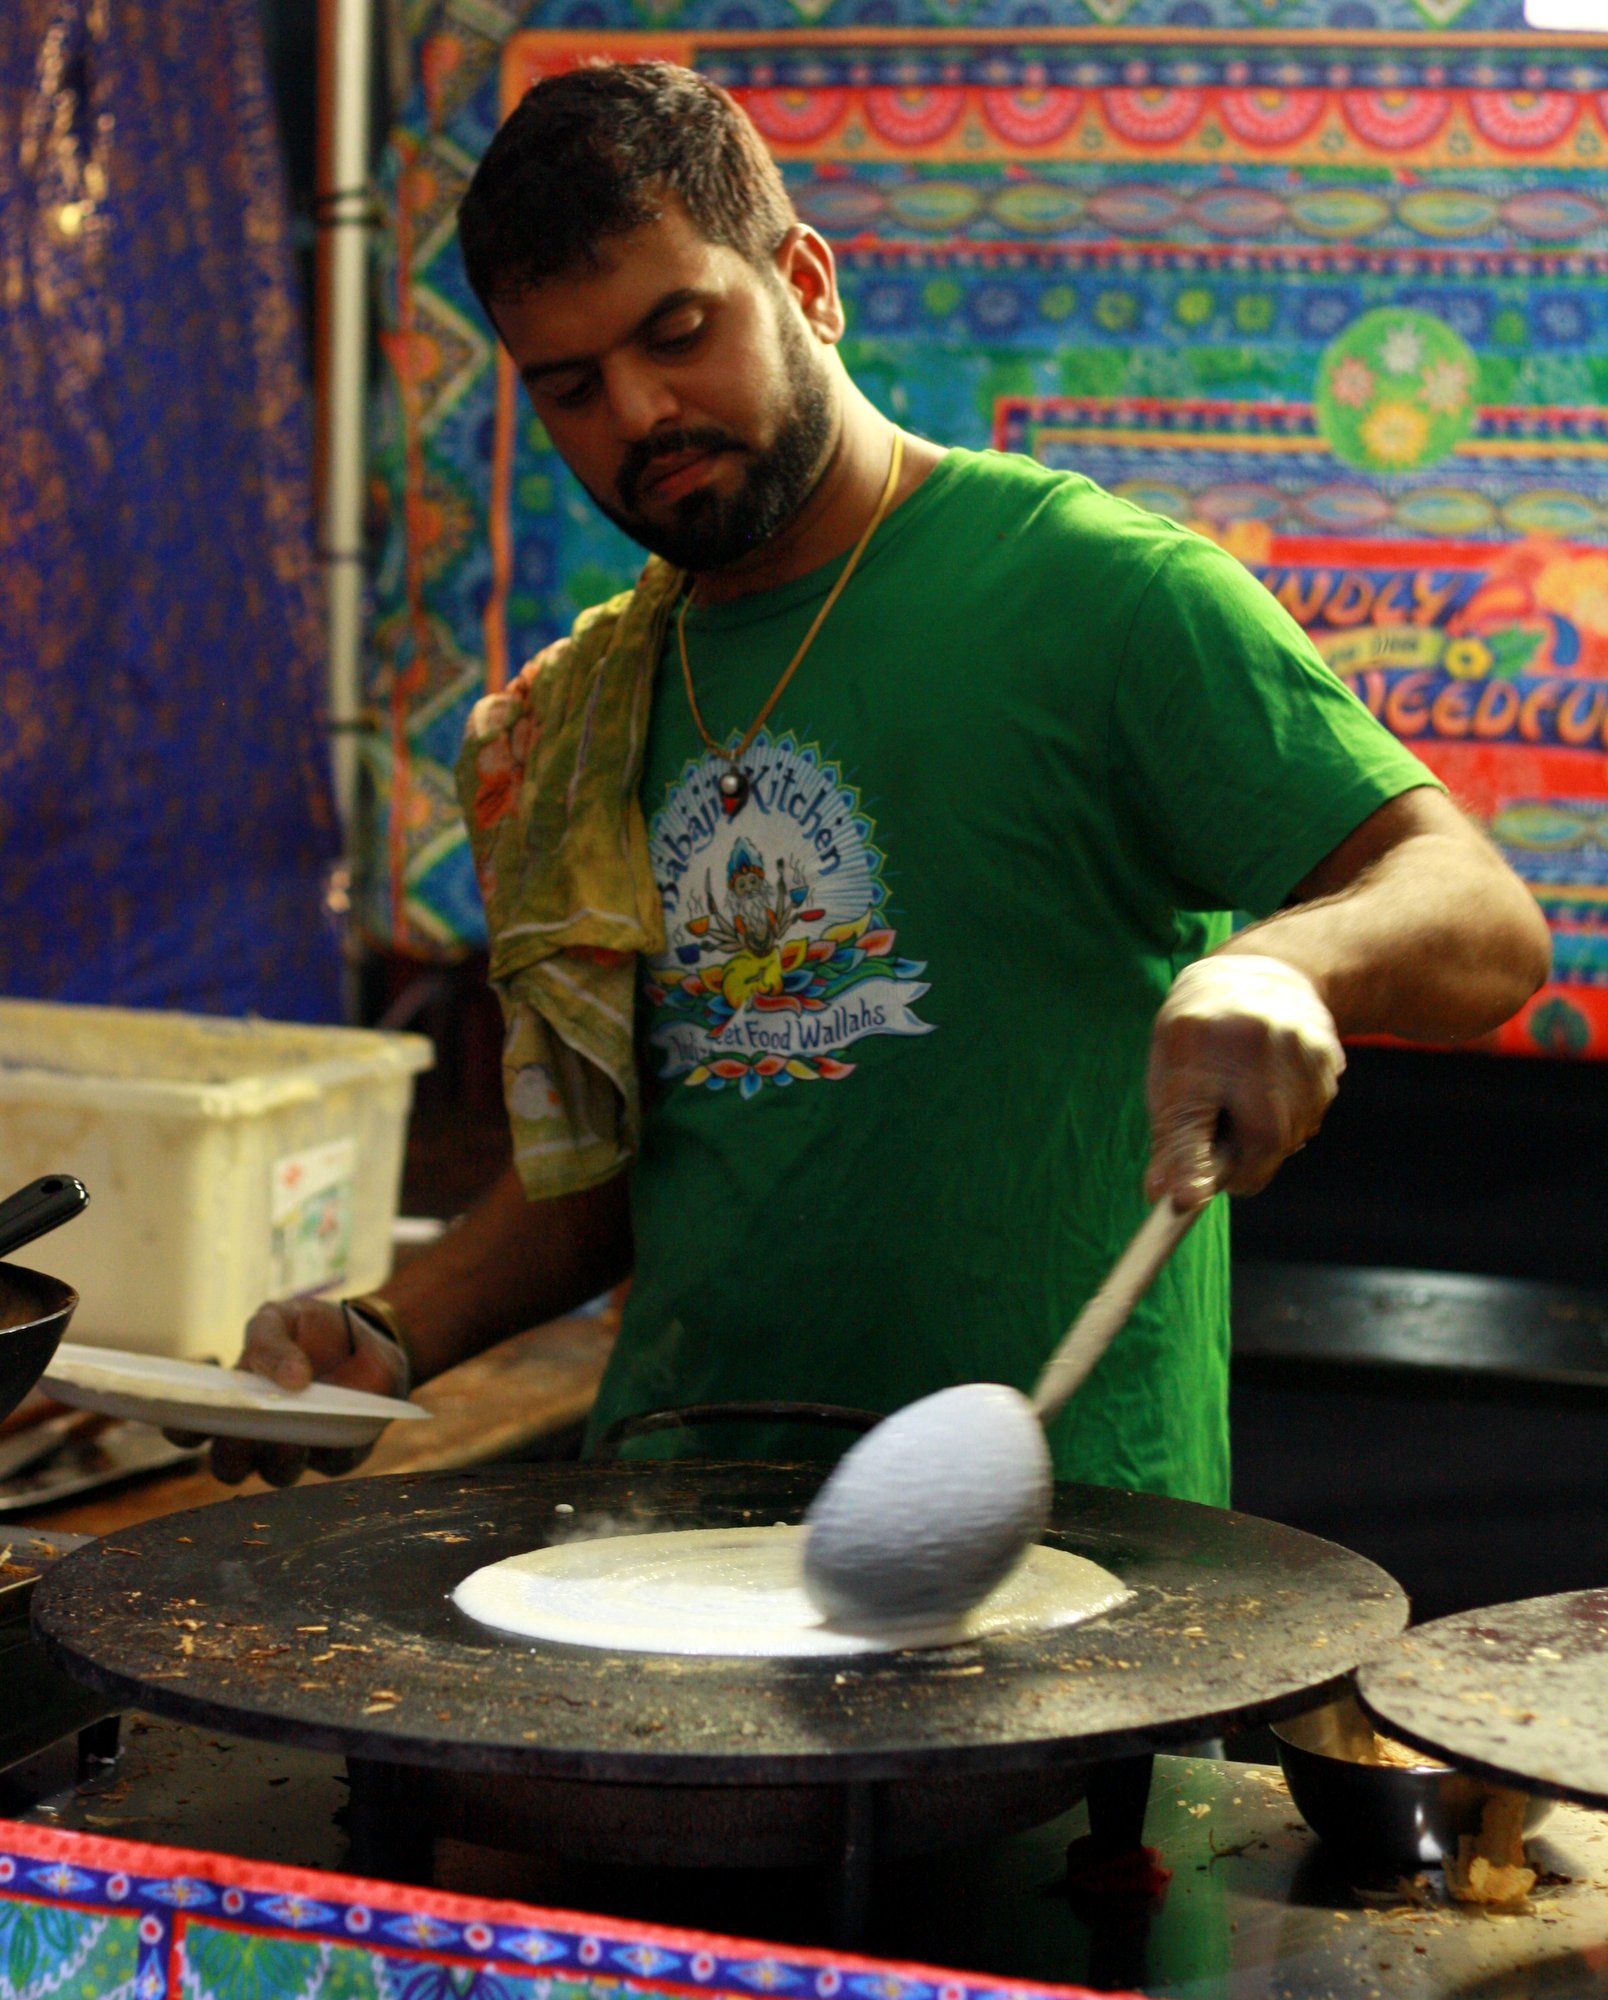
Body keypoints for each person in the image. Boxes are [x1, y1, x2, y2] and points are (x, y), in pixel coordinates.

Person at [206, 61, 1549, 1501]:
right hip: (669, 1547)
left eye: (678, 331)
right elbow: (600, 1180)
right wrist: (393, 1334)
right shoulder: (581, 714)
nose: (641, 411)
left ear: (807, 281)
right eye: (572, 386)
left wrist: (1285, 969)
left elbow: (1482, 916)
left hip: (1059, 1554)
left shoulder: (1095, 592)